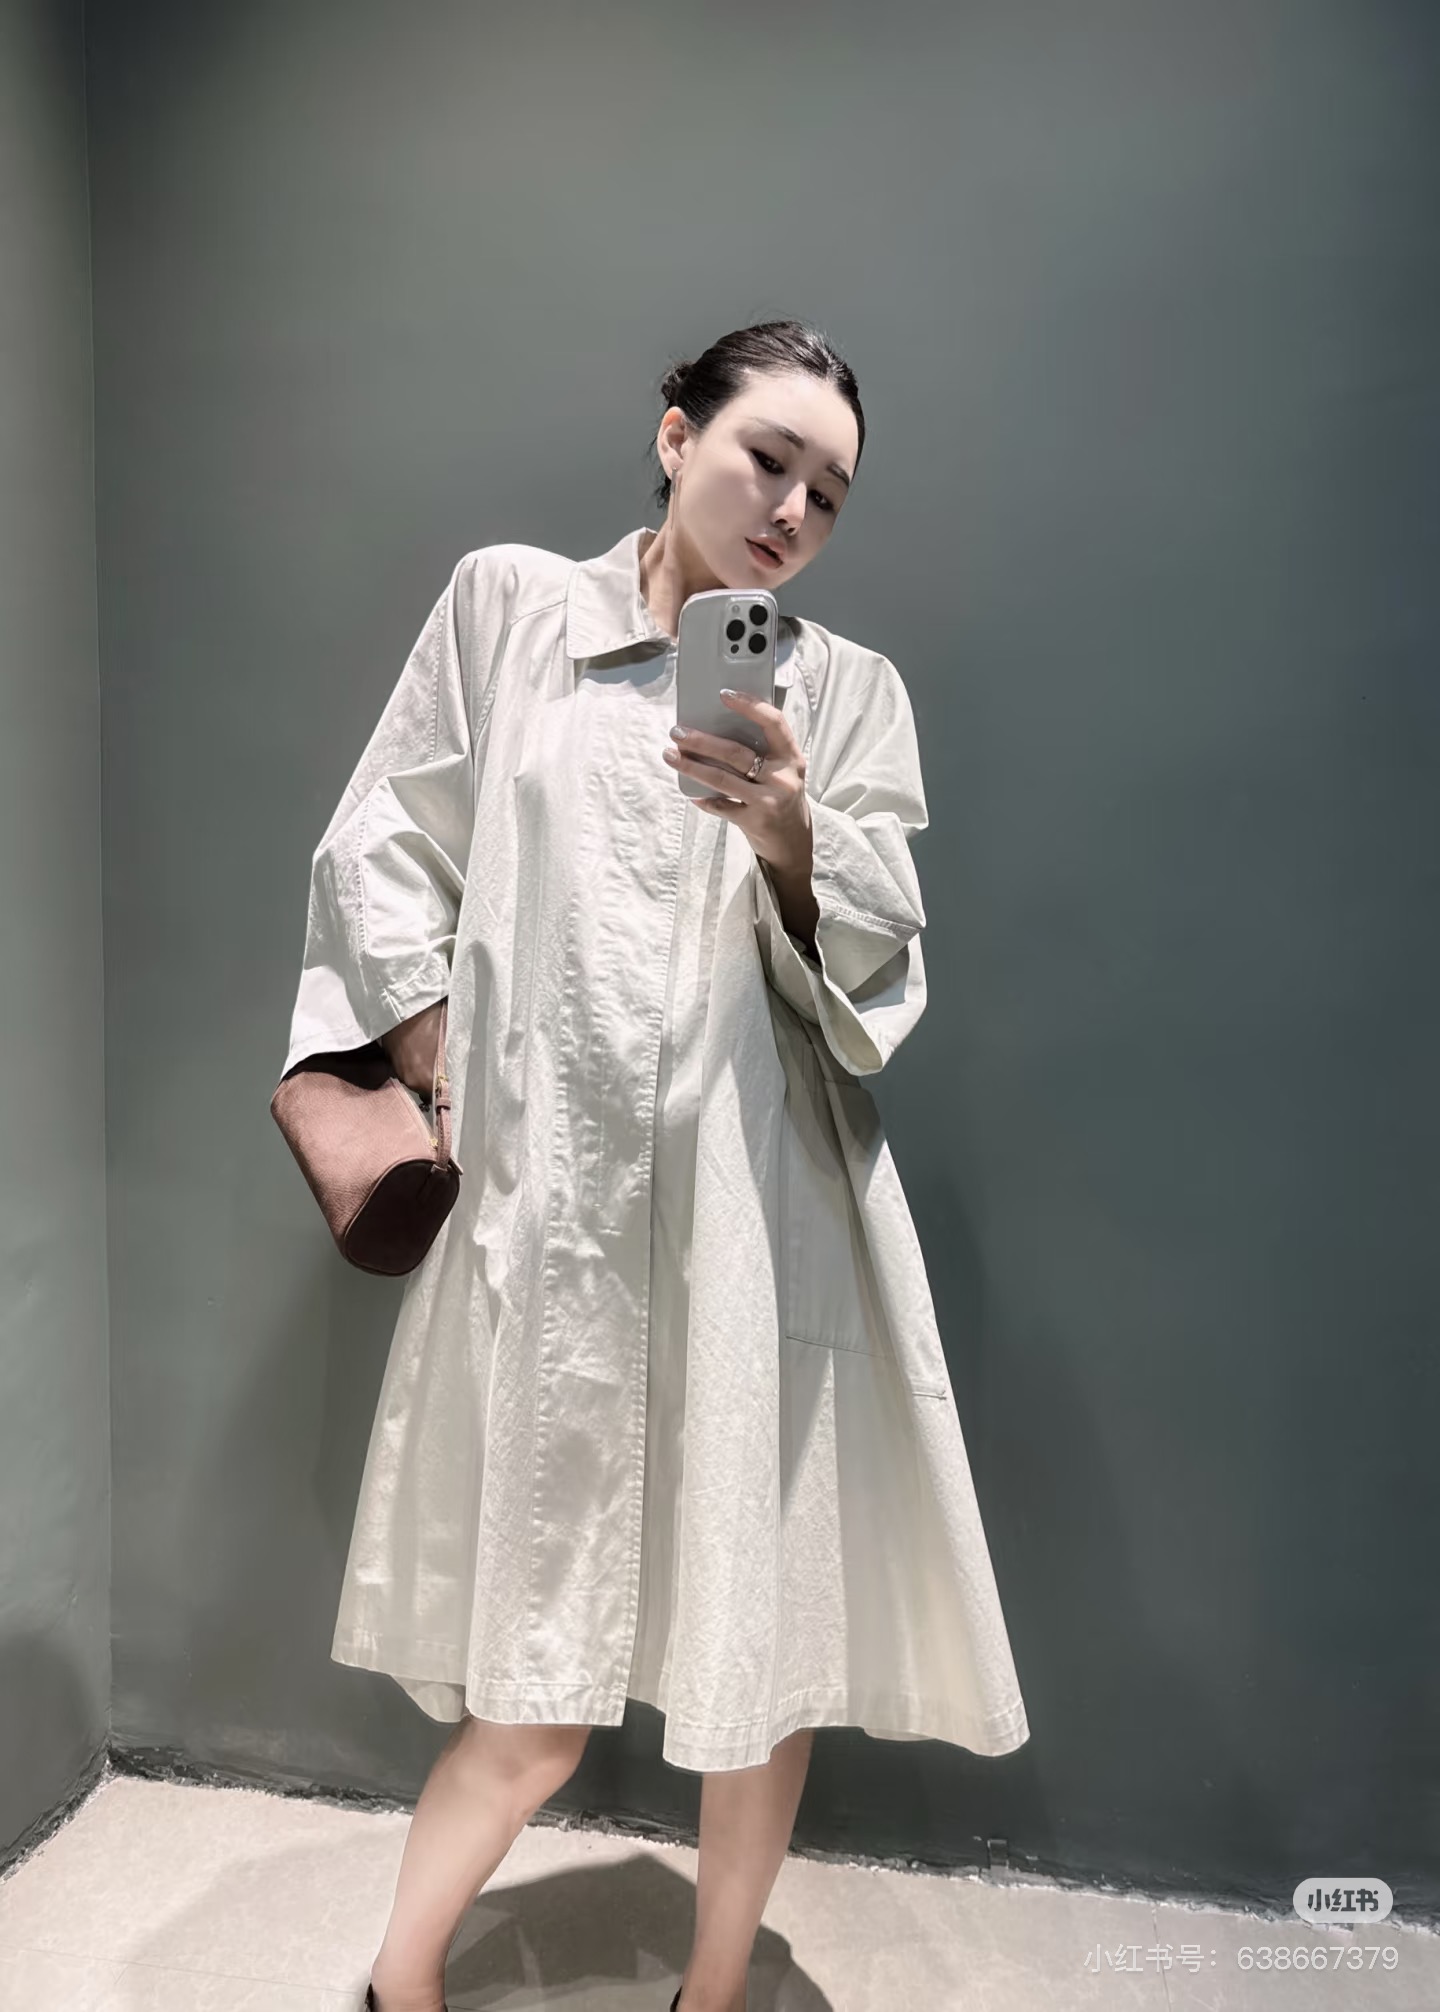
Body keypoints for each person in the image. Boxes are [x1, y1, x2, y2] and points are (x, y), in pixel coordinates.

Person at [279, 319, 1030, 2012]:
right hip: (554, 1226)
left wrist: (788, 830)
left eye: (830, 492)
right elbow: (383, 843)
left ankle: (712, 1995)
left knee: (753, 1659)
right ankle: (398, 1986)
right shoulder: (510, 608)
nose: (794, 510)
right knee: (534, 1692)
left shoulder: (849, 694)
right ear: (678, 432)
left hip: (765, 1224)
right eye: (769, 457)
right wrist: (443, 1066)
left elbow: (882, 966)